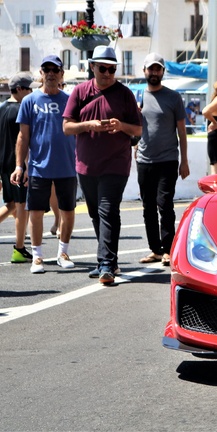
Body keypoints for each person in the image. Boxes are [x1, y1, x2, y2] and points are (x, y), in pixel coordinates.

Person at [62, 45, 142, 285]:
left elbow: (137, 130)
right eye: (103, 68)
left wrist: (121, 126)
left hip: (116, 163)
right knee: (97, 214)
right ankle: (110, 261)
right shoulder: (79, 91)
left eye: (112, 69)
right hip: (86, 164)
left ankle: (105, 264)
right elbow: (67, 127)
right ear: (92, 67)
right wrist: (89, 125)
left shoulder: (125, 94)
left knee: (108, 210)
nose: (108, 73)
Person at [10, 55, 77, 274]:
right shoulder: (30, 101)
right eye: (46, 69)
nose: (50, 73)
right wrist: (20, 166)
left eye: (55, 70)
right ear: (41, 73)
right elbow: (23, 137)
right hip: (39, 167)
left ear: (61, 74)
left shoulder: (70, 100)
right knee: (36, 212)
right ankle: (37, 257)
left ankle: (63, 253)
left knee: (67, 211)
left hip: (67, 167)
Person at [136, 52, 190, 266]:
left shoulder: (173, 97)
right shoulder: (139, 95)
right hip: (144, 160)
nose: (154, 72)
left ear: (163, 72)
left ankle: (168, 249)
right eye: (151, 68)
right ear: (145, 71)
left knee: (164, 204)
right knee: (148, 206)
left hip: (167, 160)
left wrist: (184, 161)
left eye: (158, 69)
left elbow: (182, 132)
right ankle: (155, 250)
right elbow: (138, 127)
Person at [0, 72, 38, 264]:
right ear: (20, 90)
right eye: (30, 88)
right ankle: (20, 248)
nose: (32, 91)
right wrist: (24, 166)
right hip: (18, 165)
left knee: (12, 204)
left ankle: (21, 247)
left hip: (3, 163)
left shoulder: (2, 108)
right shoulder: (22, 110)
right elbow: (24, 140)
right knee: (21, 206)